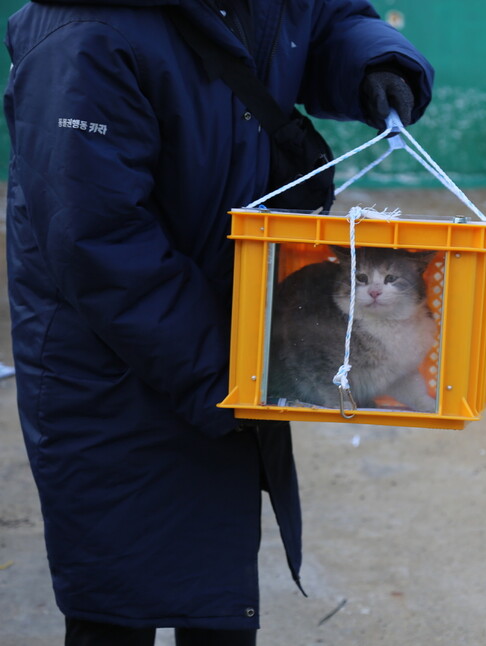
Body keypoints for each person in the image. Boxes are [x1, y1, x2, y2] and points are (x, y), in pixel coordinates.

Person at [3, 0, 433, 643]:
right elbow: (96, 241)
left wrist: (372, 59)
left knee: (216, 594)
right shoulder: (83, 36)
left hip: (217, 324)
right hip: (112, 358)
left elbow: (319, 21)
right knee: (119, 598)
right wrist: (228, 368)